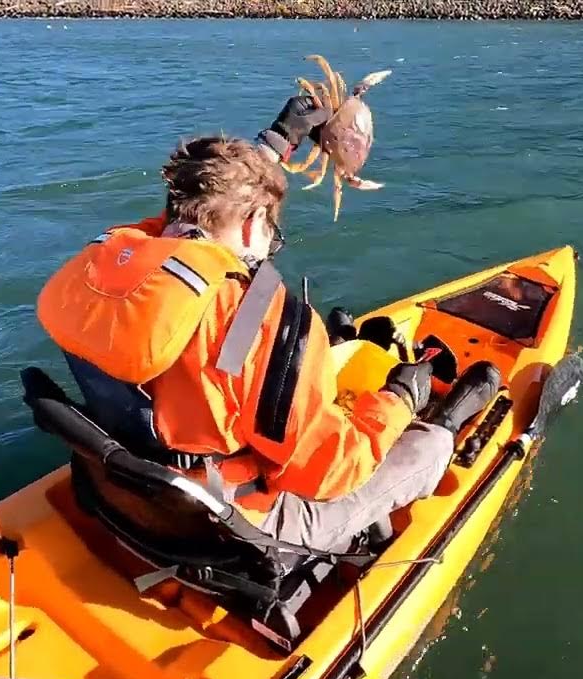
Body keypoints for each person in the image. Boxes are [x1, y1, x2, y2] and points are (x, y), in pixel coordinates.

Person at [36, 97, 499, 553]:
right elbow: (333, 468)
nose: (269, 245)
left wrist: (275, 143)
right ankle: (444, 425)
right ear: (253, 219)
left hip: (124, 490)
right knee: (422, 453)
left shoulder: (110, 263)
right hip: (234, 524)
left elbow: (192, 214)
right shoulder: (260, 321)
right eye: (270, 230)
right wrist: (400, 398)